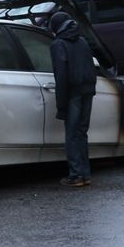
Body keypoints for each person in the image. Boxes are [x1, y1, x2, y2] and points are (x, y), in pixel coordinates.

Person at [49, 12, 97, 187]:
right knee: (82, 133)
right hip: (88, 90)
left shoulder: (58, 45)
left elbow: (61, 76)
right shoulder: (82, 41)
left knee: (71, 135)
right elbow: (91, 67)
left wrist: (61, 105)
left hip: (72, 93)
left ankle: (75, 175)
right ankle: (85, 174)